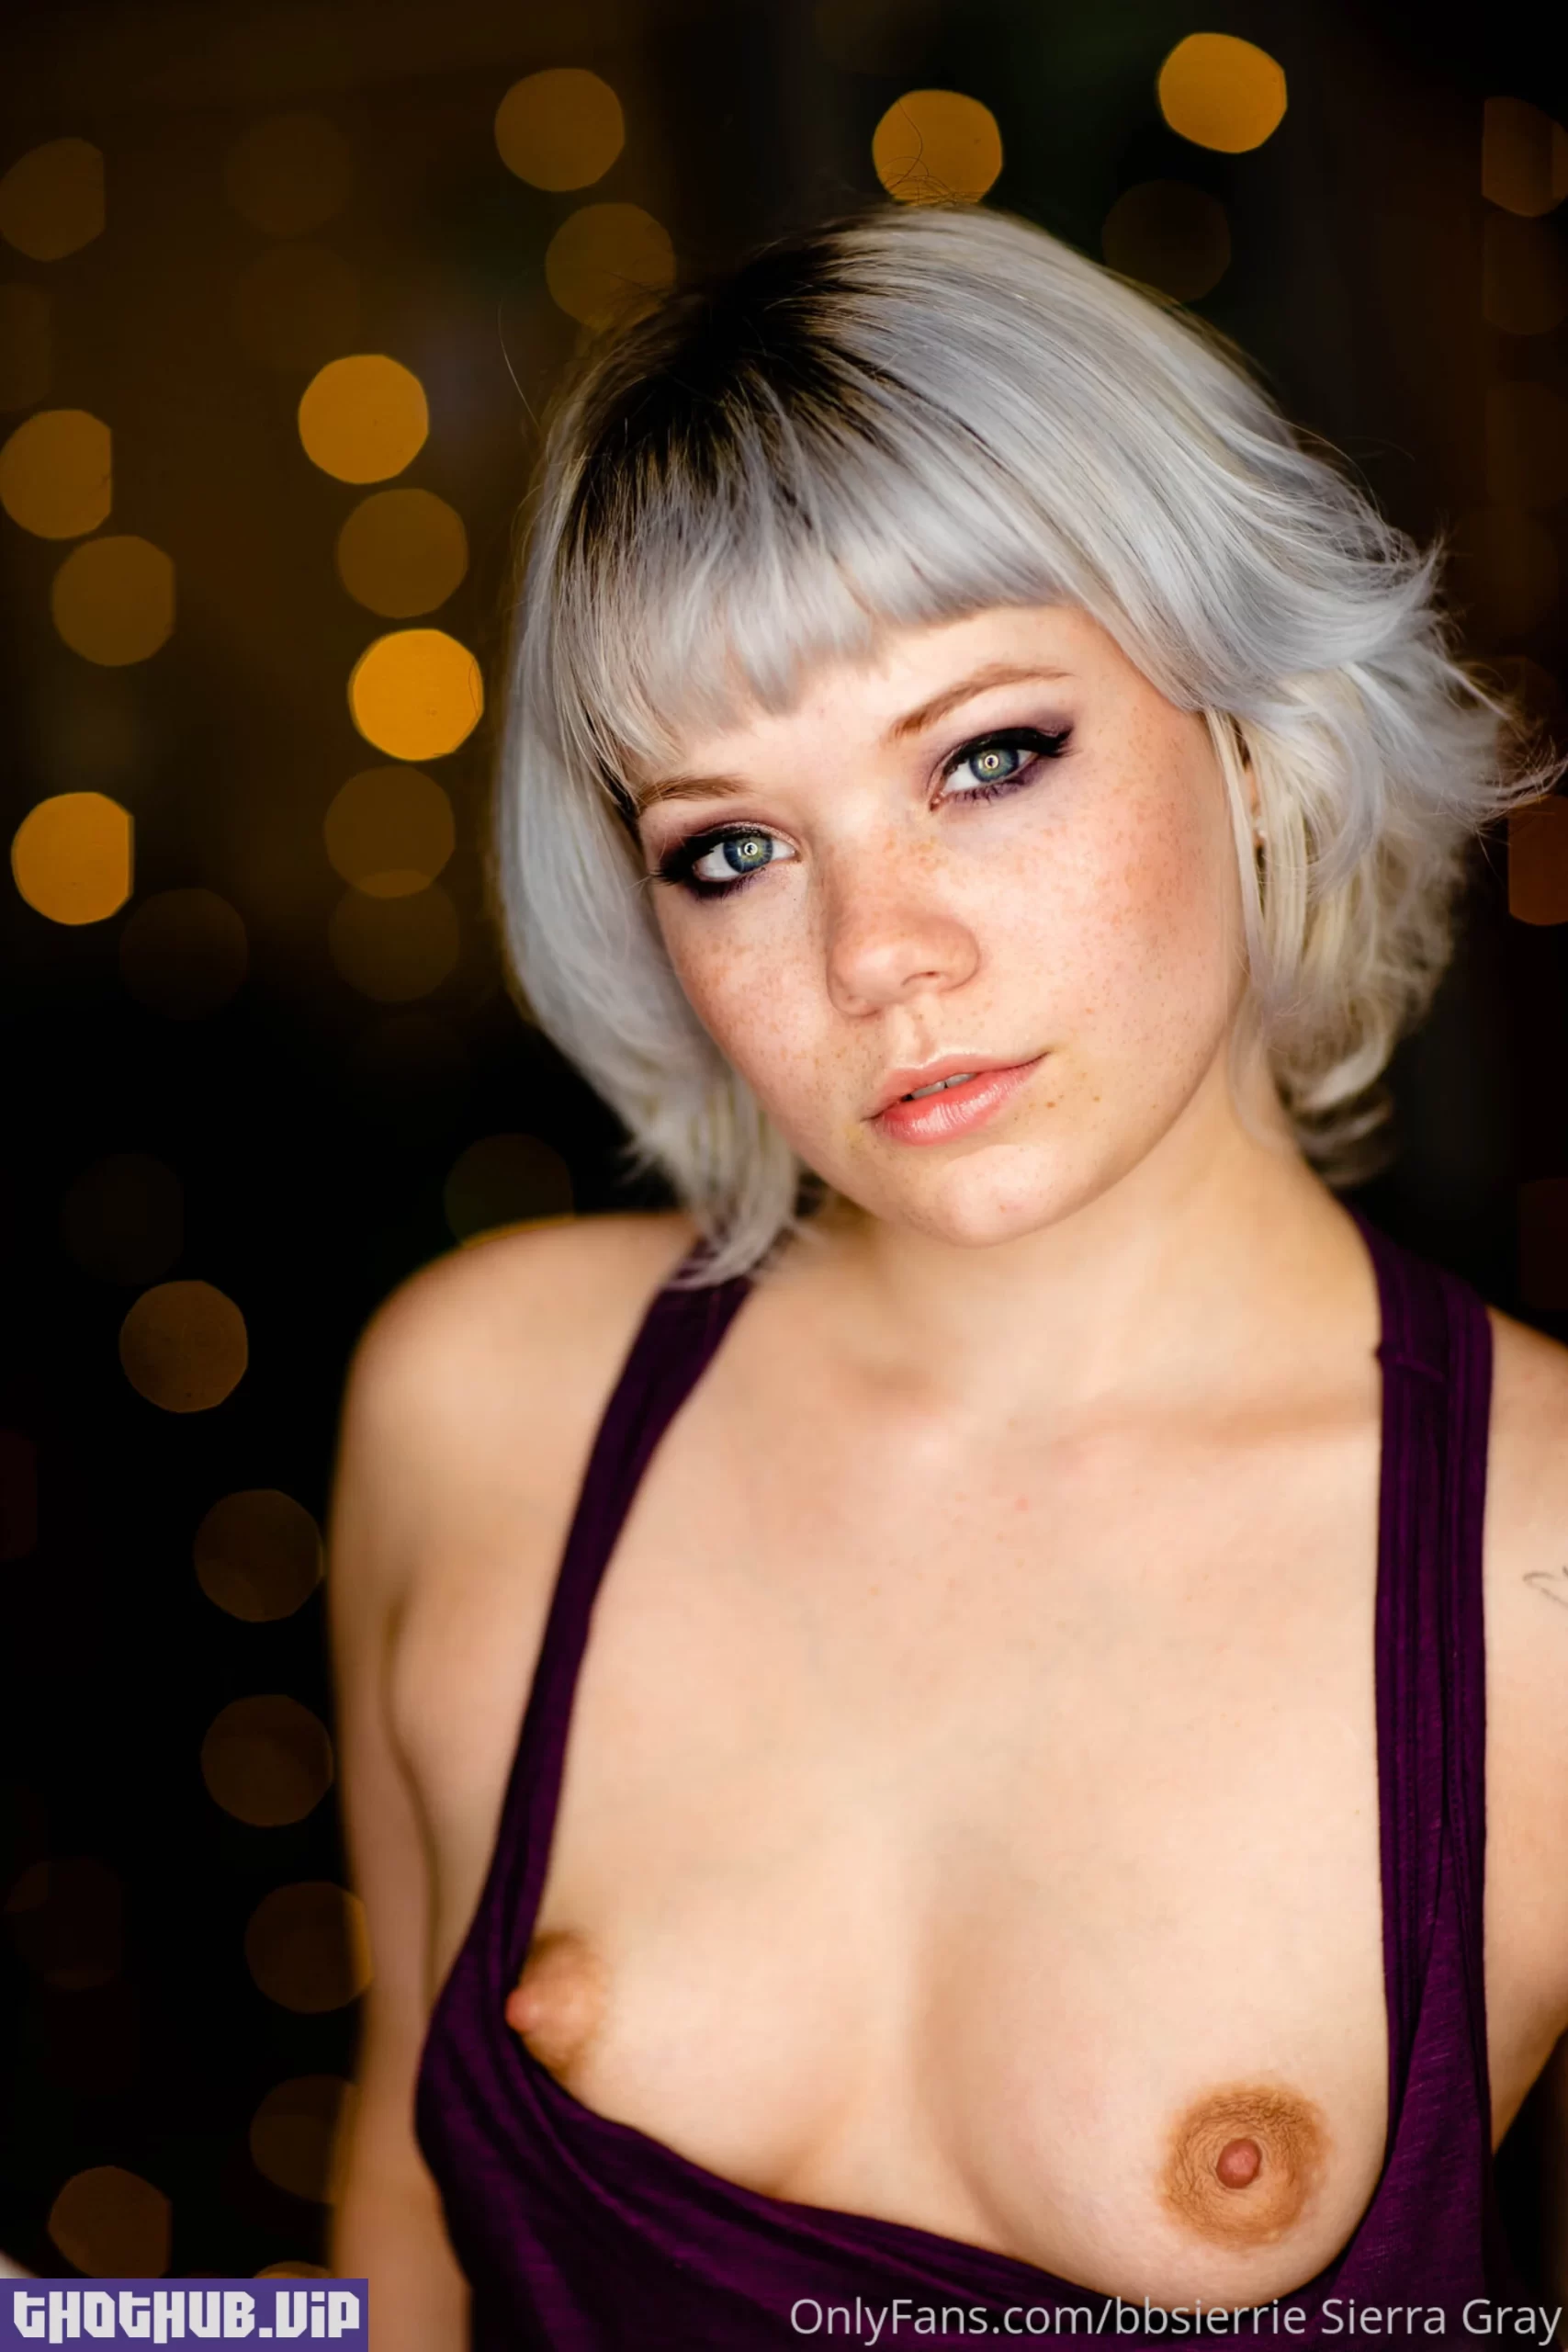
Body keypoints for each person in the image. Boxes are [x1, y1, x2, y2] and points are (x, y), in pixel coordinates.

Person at [325, 204, 1568, 2349]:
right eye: (732, 845)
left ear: (1248, 727)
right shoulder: (485, 1403)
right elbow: (388, 2248)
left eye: (986, 755)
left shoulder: (1535, 1569)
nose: (875, 951)